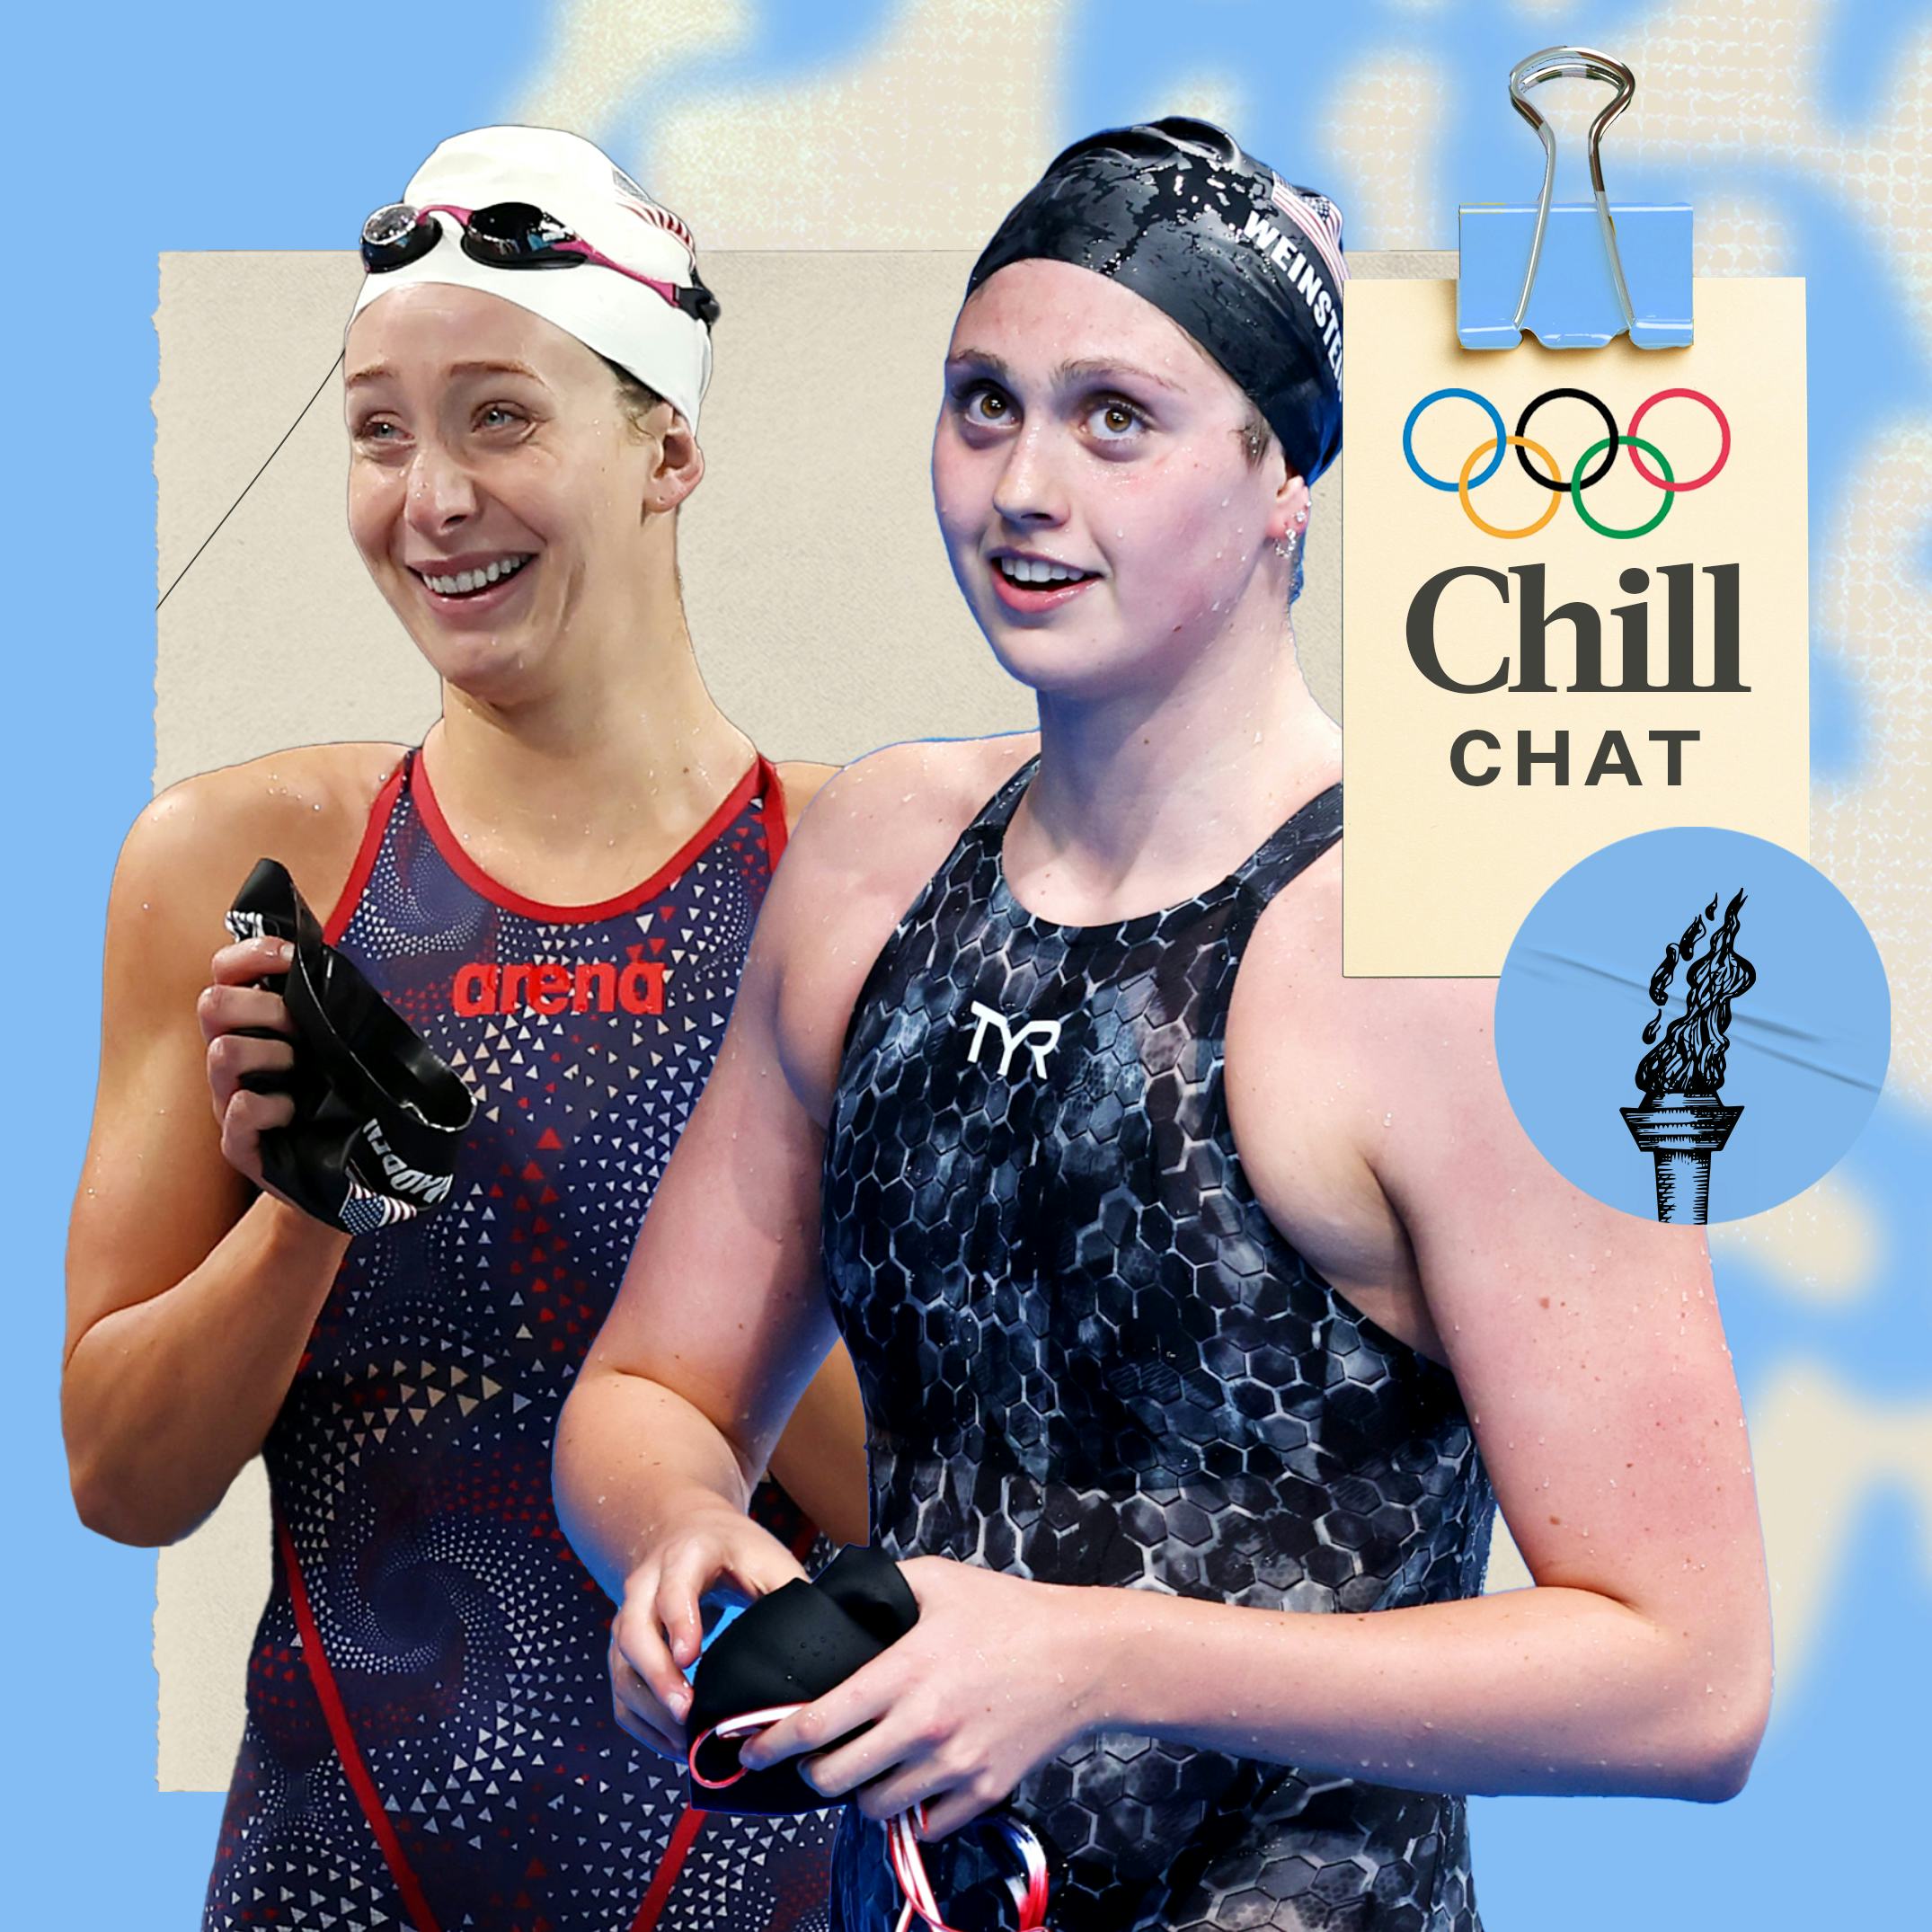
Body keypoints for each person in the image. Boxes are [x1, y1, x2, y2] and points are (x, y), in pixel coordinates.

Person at [554, 120, 1774, 1932]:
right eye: (984, 404)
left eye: (1115, 417)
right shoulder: (880, 864)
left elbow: (1692, 1676)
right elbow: (650, 1392)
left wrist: (1100, 1656)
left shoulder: (1448, 954)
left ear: (1285, 477)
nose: (1023, 486)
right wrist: (678, 1537)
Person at [64, 126, 864, 1932]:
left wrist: (684, 1242)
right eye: (376, 427)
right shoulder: (249, 864)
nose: (430, 496)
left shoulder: (853, 882)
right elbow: (121, 1475)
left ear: (667, 448)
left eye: (498, 416)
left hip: (767, 1884)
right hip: (333, 1883)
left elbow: (971, 1507)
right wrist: (303, 1214)